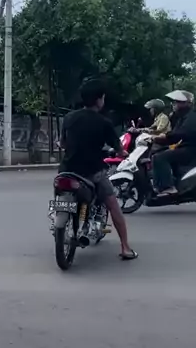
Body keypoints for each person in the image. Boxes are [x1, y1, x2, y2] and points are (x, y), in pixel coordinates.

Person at [59, 80, 137, 260]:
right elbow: (119, 149)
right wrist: (123, 153)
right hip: (92, 172)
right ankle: (125, 248)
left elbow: (62, 143)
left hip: (67, 170)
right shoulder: (104, 122)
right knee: (113, 205)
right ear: (99, 99)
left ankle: (60, 216)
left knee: (60, 191)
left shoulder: (69, 118)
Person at [152, 90, 196, 195]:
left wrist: (165, 136)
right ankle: (160, 186)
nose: (174, 104)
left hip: (191, 149)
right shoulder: (182, 117)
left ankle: (168, 187)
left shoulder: (192, 116)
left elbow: (183, 133)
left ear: (187, 103)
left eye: (178, 102)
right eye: (175, 102)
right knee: (156, 154)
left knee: (160, 157)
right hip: (184, 146)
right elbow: (174, 135)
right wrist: (160, 139)